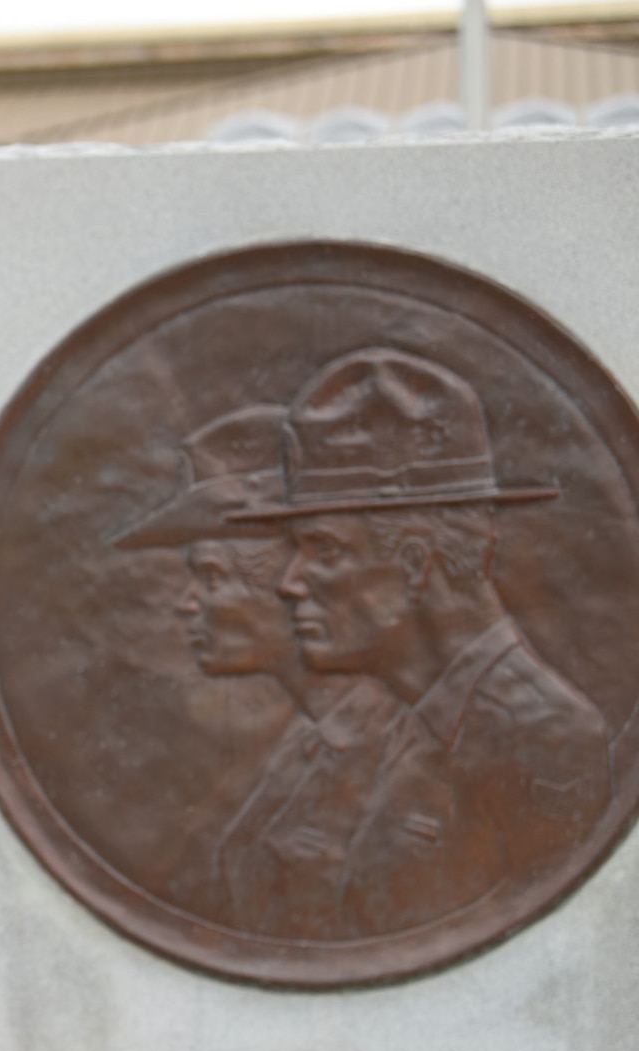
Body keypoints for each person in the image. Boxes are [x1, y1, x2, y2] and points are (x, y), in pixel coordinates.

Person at [237, 347, 612, 936]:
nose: (290, 583)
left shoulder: (543, 737)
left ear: (413, 562)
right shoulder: (395, 723)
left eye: (325, 550)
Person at [115, 405, 400, 937]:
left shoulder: (403, 741)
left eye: (212, 575)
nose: (188, 603)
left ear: (291, 579)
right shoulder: (308, 742)